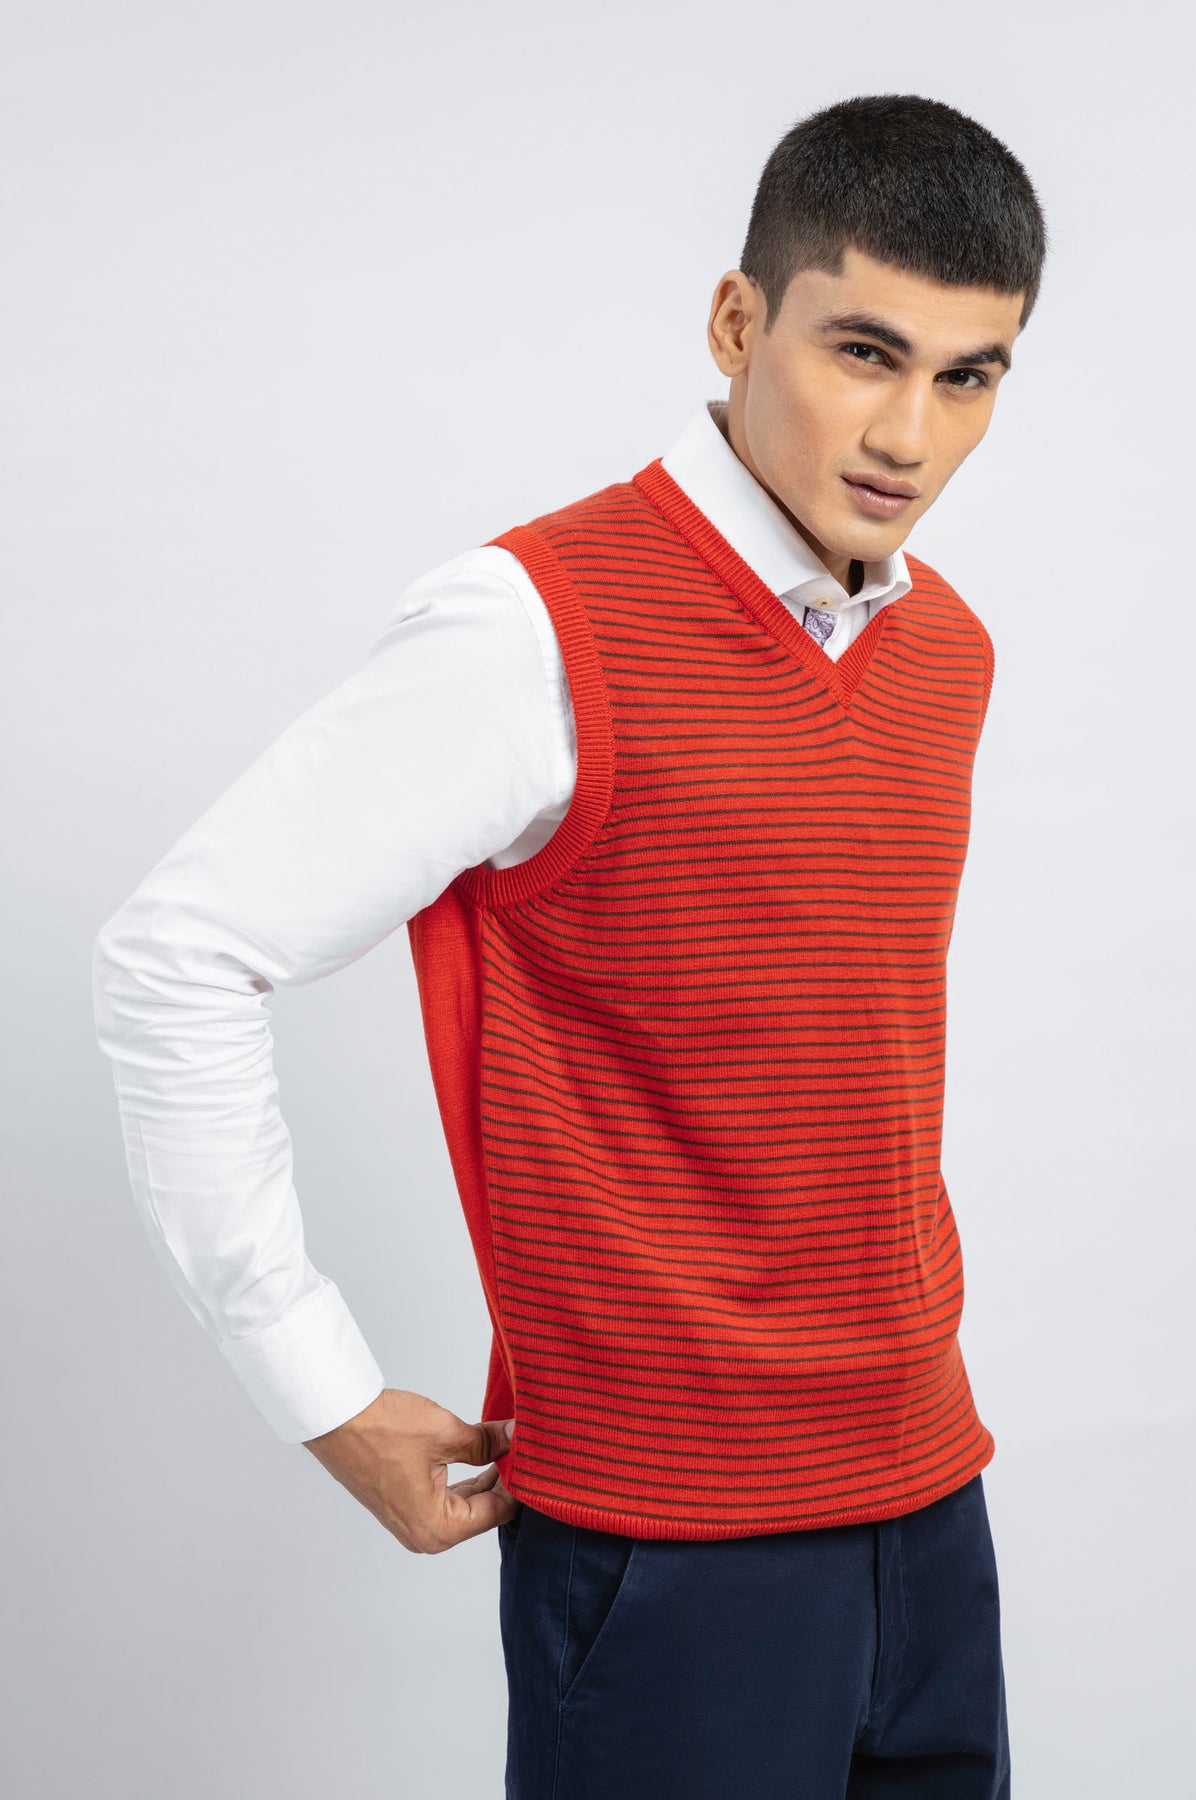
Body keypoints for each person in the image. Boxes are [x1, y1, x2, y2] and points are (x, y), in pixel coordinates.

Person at [93, 91, 1047, 1799]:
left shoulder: (945, 654)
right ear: (737, 322)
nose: (908, 433)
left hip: (927, 1498)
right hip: (668, 1546)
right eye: (863, 353)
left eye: (966, 377)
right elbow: (178, 952)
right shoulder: (534, 625)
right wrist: (315, 1385)